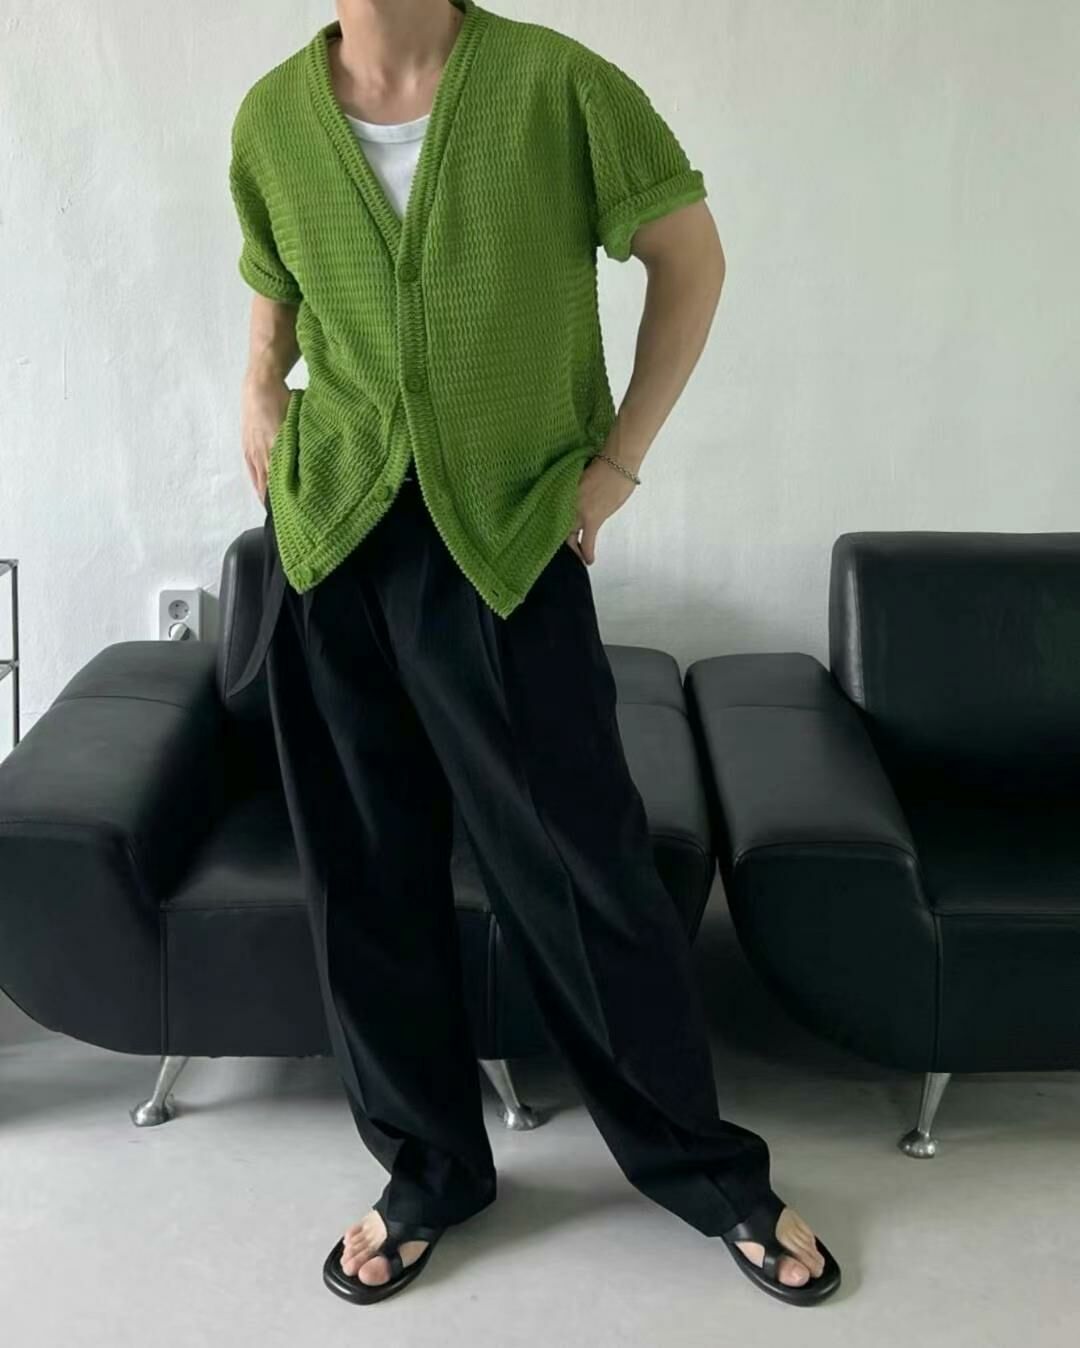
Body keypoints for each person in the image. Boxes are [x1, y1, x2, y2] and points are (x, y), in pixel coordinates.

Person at [226, 0, 840, 1308]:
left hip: (508, 542)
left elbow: (691, 258)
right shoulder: (274, 116)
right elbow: (274, 289)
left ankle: (703, 1166)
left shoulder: (558, 86)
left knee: (582, 871)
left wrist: (616, 465)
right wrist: (259, 392)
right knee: (365, 875)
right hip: (331, 542)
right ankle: (426, 1171)